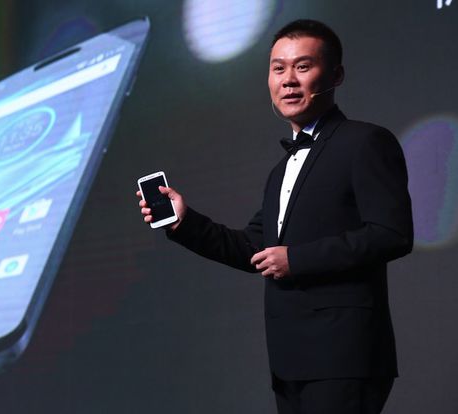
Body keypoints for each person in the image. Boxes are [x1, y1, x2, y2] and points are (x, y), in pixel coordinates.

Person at [137, 19, 413, 414]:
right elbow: (252, 247)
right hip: (289, 361)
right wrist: (184, 222)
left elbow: (392, 233)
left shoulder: (366, 141)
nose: (288, 80)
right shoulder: (281, 171)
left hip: (343, 355)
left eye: (303, 66)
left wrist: (296, 259)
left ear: (335, 75)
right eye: (278, 68)